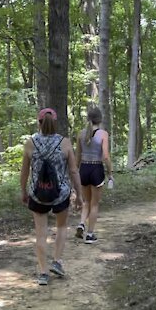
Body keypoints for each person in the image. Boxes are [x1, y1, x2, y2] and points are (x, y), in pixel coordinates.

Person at [21, 108, 81, 285]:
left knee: (41, 234)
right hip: (61, 194)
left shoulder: (30, 143)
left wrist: (23, 191)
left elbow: (25, 172)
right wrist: (78, 194)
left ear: (38, 122)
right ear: (55, 122)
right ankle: (57, 261)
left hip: (37, 194)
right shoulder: (65, 143)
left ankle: (43, 273)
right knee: (61, 227)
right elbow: (73, 170)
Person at [73, 105, 114, 244]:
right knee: (95, 204)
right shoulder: (103, 134)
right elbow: (106, 156)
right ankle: (90, 235)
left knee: (86, 202)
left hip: (83, 169)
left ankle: (81, 223)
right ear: (100, 120)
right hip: (96, 169)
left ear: (88, 119)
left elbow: (77, 156)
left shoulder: (80, 134)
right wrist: (110, 173)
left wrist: (75, 174)